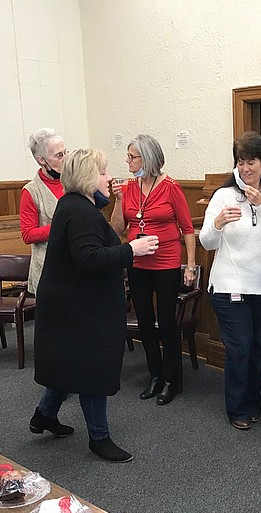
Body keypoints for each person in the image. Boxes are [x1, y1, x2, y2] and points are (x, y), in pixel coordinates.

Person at [30, 148, 159, 462]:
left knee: (69, 367)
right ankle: (99, 439)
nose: (108, 177)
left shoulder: (73, 203)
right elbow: (89, 259)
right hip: (80, 310)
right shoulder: (81, 212)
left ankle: (44, 415)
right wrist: (132, 249)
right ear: (87, 177)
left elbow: (95, 228)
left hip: (71, 306)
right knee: (92, 371)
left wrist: (108, 196)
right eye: (103, 172)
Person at [199, 132, 261, 430]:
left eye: (251, 162)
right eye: (240, 162)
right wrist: (217, 223)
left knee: (258, 349)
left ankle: (253, 401)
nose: (246, 168)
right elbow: (207, 243)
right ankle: (236, 407)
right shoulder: (223, 196)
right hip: (229, 287)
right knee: (240, 348)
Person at [111, 134, 196, 406]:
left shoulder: (171, 187)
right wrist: (116, 201)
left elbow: (187, 229)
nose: (128, 161)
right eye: (128, 156)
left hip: (166, 262)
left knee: (167, 323)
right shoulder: (127, 188)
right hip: (137, 262)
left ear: (147, 158)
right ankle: (155, 376)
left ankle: (172, 379)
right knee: (145, 323)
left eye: (132, 156)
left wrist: (191, 265)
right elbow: (117, 228)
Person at [19, 128, 67, 294]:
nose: (65, 159)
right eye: (59, 156)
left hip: (74, 264)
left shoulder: (73, 182)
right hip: (47, 268)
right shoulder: (31, 191)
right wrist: (61, 227)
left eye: (65, 153)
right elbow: (28, 234)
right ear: (42, 160)